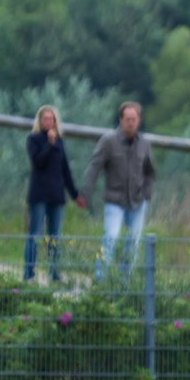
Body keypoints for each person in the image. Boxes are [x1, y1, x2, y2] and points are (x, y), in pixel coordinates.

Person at [77, 101, 156, 281]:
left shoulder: (144, 143)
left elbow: (150, 172)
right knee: (110, 240)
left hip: (137, 201)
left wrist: (147, 193)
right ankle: (101, 281)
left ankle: (125, 284)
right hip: (115, 201)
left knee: (133, 245)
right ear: (121, 120)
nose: (131, 123)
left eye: (134, 119)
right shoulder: (108, 141)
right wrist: (85, 193)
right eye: (128, 119)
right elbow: (94, 167)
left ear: (139, 121)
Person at [24, 105, 79, 283]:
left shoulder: (60, 142)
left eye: (51, 119)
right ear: (40, 121)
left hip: (57, 196)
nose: (48, 122)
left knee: (54, 237)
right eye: (45, 119)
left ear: (55, 121)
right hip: (39, 195)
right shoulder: (33, 140)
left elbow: (65, 170)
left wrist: (75, 194)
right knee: (35, 235)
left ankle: (54, 274)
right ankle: (29, 274)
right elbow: (38, 162)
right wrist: (48, 143)